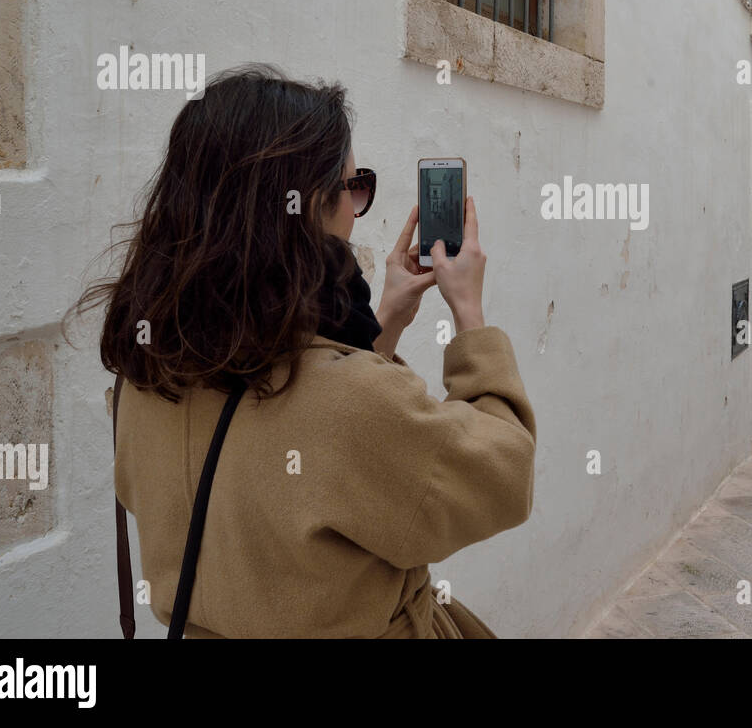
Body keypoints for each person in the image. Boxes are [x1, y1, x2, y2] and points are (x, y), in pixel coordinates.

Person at [68, 64, 536, 638]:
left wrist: (382, 322)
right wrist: (470, 318)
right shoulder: (348, 400)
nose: (355, 206)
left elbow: (279, 467)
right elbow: (502, 478)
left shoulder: (145, 375)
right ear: (311, 203)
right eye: (353, 184)